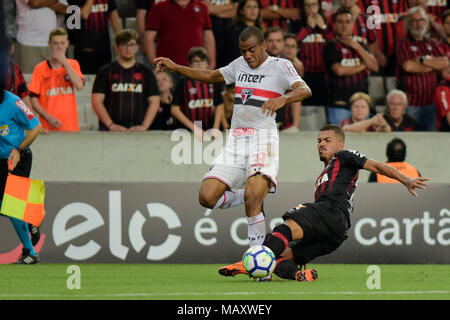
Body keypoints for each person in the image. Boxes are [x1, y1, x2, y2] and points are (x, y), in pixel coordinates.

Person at [154, 27, 311, 279]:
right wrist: (175, 67)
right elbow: (211, 75)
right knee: (207, 197)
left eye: (251, 50)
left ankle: (259, 265)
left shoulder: (281, 66)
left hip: (263, 140)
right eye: (243, 51)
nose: (247, 55)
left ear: (263, 46)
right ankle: (247, 195)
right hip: (236, 141)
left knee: (253, 197)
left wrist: (283, 99)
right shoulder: (239, 64)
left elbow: (305, 90)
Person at [221, 124, 429, 281]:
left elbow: (377, 166)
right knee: (282, 256)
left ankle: (246, 263)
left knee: (284, 229)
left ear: (340, 144)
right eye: (319, 140)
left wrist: (406, 180)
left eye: (327, 140)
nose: (321, 144)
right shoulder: (326, 172)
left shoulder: (344, 156)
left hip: (330, 210)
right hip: (336, 233)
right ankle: (299, 275)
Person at [0, 88, 43, 264]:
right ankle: (29, 219)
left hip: (16, 158)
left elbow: (36, 127)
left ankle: (30, 252)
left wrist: (19, 149)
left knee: (12, 206)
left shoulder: (14, 102)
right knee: (7, 206)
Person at [91, 29, 160, 131]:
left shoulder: (146, 72)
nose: (128, 48)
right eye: (124, 44)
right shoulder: (105, 71)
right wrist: (110, 125)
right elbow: (96, 101)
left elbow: (154, 101)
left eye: (131, 44)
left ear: (137, 47)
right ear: (116, 48)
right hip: (110, 131)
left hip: (138, 131)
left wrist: (144, 126)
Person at [395, 6, 449, 131]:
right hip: (410, 105)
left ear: (426, 23)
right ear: (408, 24)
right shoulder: (403, 43)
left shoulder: (432, 43)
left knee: (431, 142)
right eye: (413, 21)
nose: (417, 24)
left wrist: (421, 60)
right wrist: (433, 65)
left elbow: (445, 62)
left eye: (421, 20)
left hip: (431, 105)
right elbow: (408, 66)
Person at [323, 7, 379, 125]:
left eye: (347, 22)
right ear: (335, 25)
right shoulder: (331, 46)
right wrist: (364, 65)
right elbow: (339, 70)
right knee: (340, 140)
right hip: (339, 105)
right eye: (340, 22)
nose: (344, 25)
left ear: (353, 25)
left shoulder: (361, 46)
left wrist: (356, 47)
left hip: (360, 105)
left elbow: (375, 67)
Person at [28, 27, 84, 132]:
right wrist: (48, 118)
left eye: (62, 43)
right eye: (55, 43)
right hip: (47, 126)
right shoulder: (40, 68)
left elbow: (79, 85)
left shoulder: (73, 64)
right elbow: (33, 100)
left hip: (70, 126)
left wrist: (64, 62)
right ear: (49, 44)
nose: (59, 47)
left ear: (67, 44)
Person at [144, 0, 216, 70]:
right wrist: (154, 65)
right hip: (168, 67)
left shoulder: (202, 7)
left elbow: (208, 37)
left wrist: (212, 63)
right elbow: (148, 38)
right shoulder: (159, 7)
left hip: (196, 66)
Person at [170, 47, 224, 135]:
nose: (199, 64)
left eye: (202, 60)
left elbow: (219, 104)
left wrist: (216, 127)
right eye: (195, 61)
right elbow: (175, 110)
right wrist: (194, 129)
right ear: (189, 64)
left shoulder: (214, 81)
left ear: (207, 63)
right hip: (188, 132)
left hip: (210, 130)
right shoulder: (183, 83)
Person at [294, 0, 334, 107]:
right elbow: (292, 43)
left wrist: (324, 28)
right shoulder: (297, 24)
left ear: (319, 6)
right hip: (304, 75)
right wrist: (308, 28)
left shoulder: (327, 25)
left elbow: (335, 46)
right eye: (307, 5)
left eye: (314, 5)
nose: (311, 8)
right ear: (303, 7)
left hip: (324, 76)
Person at [66, 0, 122, 74]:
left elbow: (113, 14)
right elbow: (84, 14)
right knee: (86, 81)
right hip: (84, 49)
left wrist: (120, 40)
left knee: (104, 79)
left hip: (104, 47)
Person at [357, 0, 409, 76]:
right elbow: (364, 24)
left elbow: (404, 22)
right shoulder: (364, 2)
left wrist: (400, 50)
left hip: (397, 52)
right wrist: (376, 51)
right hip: (374, 51)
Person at [265, 28, 302, 131]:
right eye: (271, 41)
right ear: (265, 43)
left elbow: (297, 96)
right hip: (261, 124)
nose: (274, 44)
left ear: (283, 43)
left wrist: (295, 125)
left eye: (278, 41)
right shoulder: (256, 65)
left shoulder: (291, 67)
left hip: (284, 126)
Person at [14, 0, 62, 73]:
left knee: (53, 82)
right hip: (29, 44)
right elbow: (34, 3)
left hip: (52, 45)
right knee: (30, 81)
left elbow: (62, 7)